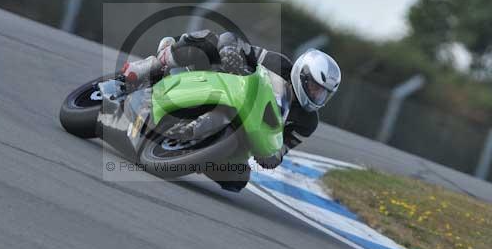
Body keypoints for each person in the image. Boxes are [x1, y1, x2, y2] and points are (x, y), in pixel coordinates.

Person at [120, 29, 341, 171]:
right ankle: (152, 66)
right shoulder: (278, 64)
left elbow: (281, 152)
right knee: (208, 40)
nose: (315, 95)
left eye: (322, 93)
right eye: (313, 87)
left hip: (243, 132)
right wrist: (230, 52)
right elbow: (232, 39)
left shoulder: (307, 121)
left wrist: (271, 156)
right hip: (220, 83)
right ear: (301, 74)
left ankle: (195, 149)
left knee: (236, 178)